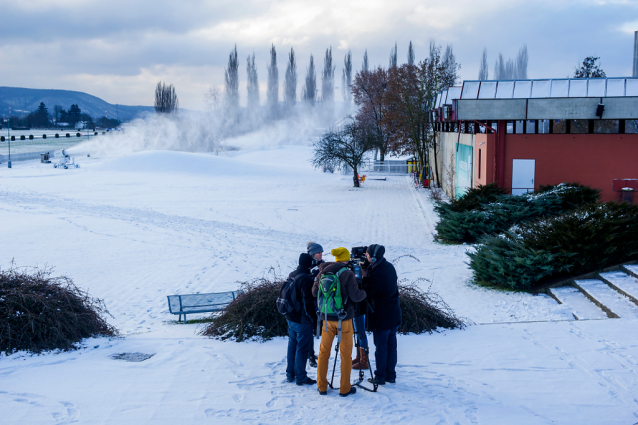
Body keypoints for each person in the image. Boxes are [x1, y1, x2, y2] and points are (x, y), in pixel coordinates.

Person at [312, 247, 367, 397]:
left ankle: (321, 386)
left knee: (323, 352)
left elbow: (314, 293)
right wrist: (364, 291)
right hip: (344, 320)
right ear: (346, 259)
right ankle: (344, 388)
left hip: (327, 318)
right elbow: (356, 297)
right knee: (345, 354)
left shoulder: (322, 271)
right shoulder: (347, 273)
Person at [362, 244, 400, 385]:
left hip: (382, 317)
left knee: (381, 348)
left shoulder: (377, 274)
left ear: (373, 257)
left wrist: (365, 277)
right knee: (391, 347)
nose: (366, 256)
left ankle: (380, 377)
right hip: (394, 314)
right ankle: (391, 375)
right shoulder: (388, 267)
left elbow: (367, 292)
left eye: (367, 255)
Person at [285, 253, 318, 386]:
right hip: (302, 319)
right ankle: (300, 377)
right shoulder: (306, 279)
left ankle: (290, 374)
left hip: (290, 316)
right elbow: (308, 302)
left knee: (292, 345)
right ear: (309, 264)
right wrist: (314, 318)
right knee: (302, 348)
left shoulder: (292, 274)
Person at [306, 242, 324, 367]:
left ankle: (315, 354)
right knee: (310, 329)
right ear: (312, 254)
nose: (321, 254)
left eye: (321, 252)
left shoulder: (322, 263)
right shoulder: (307, 265)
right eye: (318, 252)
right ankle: (310, 355)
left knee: (319, 329)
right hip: (310, 302)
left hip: (320, 301)